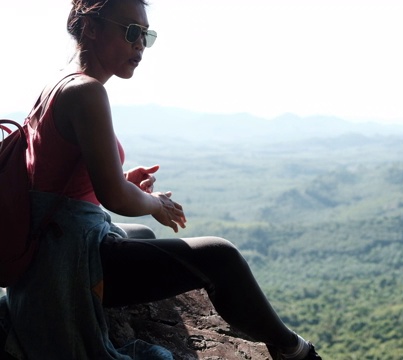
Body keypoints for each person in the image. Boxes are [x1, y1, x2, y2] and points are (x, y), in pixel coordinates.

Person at [0, 0, 322, 359]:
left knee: (142, 237)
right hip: (66, 259)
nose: (140, 45)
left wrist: (123, 179)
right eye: (131, 32)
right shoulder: (87, 92)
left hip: (55, 244)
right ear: (90, 27)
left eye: (146, 35)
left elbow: (57, 174)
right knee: (220, 256)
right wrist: (155, 203)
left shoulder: (58, 85)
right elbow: (115, 199)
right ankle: (296, 351)